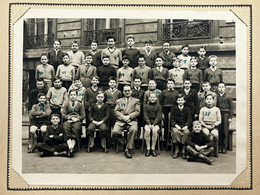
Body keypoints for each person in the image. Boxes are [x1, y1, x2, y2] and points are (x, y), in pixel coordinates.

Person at [112, 85, 140, 158]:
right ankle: (123, 142)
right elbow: (116, 111)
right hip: (121, 121)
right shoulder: (119, 101)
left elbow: (137, 112)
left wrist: (129, 116)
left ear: (131, 91)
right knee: (115, 132)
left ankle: (128, 149)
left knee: (133, 130)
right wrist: (123, 117)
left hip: (132, 121)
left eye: (128, 90)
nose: (127, 92)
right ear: (123, 92)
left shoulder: (136, 101)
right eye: (125, 91)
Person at [62, 90, 85, 157]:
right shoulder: (66, 104)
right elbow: (63, 114)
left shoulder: (80, 104)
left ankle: (71, 147)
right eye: (71, 95)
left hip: (76, 121)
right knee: (65, 127)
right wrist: (69, 118)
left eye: (74, 95)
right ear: (69, 96)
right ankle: (71, 147)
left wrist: (77, 119)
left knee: (76, 128)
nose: (73, 96)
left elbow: (83, 115)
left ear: (77, 96)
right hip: (68, 120)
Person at [170, 94, 192, 159]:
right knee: (175, 132)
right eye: (178, 100)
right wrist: (176, 125)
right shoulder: (173, 108)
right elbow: (172, 119)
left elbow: (189, 119)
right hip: (176, 126)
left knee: (186, 132)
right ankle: (176, 150)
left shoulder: (187, 109)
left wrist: (186, 126)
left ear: (184, 101)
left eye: (182, 100)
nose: (180, 101)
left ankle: (183, 150)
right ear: (176, 101)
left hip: (185, 126)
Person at [104, 76, 122, 147]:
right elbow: (104, 101)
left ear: (116, 84)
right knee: (108, 126)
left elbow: (120, 101)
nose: (112, 84)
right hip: (108, 109)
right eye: (111, 82)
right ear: (108, 83)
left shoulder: (118, 92)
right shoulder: (106, 92)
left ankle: (115, 143)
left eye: (113, 82)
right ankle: (108, 143)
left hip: (115, 109)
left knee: (116, 126)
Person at [143, 92, 162, 157]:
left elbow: (159, 116)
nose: (152, 98)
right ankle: (148, 148)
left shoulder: (159, 106)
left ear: (156, 98)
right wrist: (148, 123)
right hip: (147, 123)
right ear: (148, 98)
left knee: (154, 131)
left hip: (156, 123)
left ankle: (153, 148)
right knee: (147, 131)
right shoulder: (146, 106)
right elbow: (145, 116)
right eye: (151, 97)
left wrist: (154, 124)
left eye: (154, 97)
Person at [160, 79, 179, 143]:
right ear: (167, 85)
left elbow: (178, 102)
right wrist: (162, 112)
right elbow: (161, 102)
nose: (170, 85)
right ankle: (165, 139)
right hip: (165, 109)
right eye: (169, 83)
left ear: (174, 84)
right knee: (166, 124)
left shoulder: (176, 92)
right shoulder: (163, 92)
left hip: (174, 109)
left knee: (173, 124)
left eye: (171, 83)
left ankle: (172, 139)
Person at [216, 82, 233, 154]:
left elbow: (231, 108)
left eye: (222, 87)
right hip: (219, 114)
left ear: (225, 88)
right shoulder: (216, 96)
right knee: (219, 130)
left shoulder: (228, 97)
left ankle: (224, 147)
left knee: (225, 131)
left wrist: (230, 117)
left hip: (226, 114)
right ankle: (219, 146)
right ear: (217, 88)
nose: (221, 88)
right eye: (219, 87)